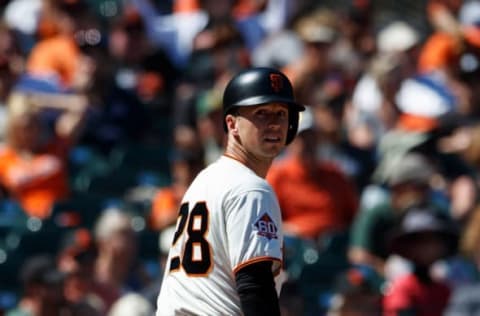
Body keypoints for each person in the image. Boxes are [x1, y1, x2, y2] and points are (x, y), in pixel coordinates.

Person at [155, 66, 305, 315]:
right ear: (232, 124)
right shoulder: (250, 189)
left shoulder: (206, 178)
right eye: (261, 113)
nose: (274, 123)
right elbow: (254, 286)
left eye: (281, 113)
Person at [383, 205, 459, 316]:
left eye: (433, 241)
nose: (428, 248)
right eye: (421, 242)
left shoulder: (444, 290)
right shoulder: (402, 288)